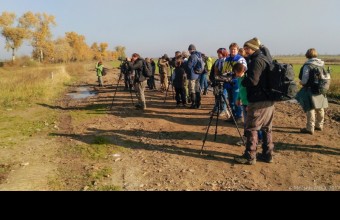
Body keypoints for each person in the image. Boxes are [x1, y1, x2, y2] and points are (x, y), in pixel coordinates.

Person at [234, 38, 275, 165]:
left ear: (253, 48)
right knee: (267, 128)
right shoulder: (266, 58)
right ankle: (268, 155)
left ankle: (250, 156)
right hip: (269, 99)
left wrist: (243, 80)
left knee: (252, 128)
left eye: (247, 48)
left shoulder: (256, 61)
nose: (245, 50)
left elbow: (253, 81)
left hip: (258, 100)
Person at [296, 48, 328, 135]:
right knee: (320, 107)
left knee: (310, 108)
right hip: (321, 89)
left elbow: (304, 80)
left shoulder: (307, 65)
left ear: (307, 55)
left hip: (310, 89)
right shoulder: (321, 64)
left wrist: (301, 83)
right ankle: (319, 125)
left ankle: (310, 128)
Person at [234, 62, 263, 146]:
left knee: (255, 122)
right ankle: (246, 137)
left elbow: (250, 92)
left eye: (235, 72)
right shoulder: (239, 79)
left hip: (250, 104)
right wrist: (238, 99)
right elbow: (240, 90)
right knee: (246, 122)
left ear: (239, 71)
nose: (235, 74)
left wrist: (249, 104)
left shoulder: (247, 79)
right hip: (244, 103)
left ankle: (259, 139)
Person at [223, 43, 247, 124]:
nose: (232, 51)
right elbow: (224, 70)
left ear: (237, 50)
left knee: (236, 100)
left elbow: (243, 70)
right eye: (231, 49)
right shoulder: (226, 59)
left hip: (236, 82)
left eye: (234, 49)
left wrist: (233, 75)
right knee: (230, 101)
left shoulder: (241, 59)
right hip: (228, 82)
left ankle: (239, 117)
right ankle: (233, 116)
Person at [209, 48, 229, 117]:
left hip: (223, 81)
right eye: (218, 53)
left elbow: (226, 72)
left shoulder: (226, 61)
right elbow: (213, 70)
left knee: (222, 96)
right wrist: (211, 78)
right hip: (216, 80)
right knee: (216, 95)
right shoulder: (217, 61)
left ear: (223, 53)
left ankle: (223, 110)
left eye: (219, 53)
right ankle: (216, 109)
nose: (218, 55)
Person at [185, 44, 203, 109]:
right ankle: (199, 104)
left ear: (190, 50)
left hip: (192, 75)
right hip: (198, 75)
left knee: (192, 90)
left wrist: (185, 63)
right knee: (197, 89)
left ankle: (194, 104)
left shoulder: (192, 56)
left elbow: (189, 66)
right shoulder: (199, 55)